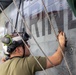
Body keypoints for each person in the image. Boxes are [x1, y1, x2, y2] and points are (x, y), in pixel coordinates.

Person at [0, 31, 66, 75]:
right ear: (18, 50)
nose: (29, 46)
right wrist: (61, 43)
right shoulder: (28, 62)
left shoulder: (2, 67)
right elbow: (57, 59)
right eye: (26, 44)